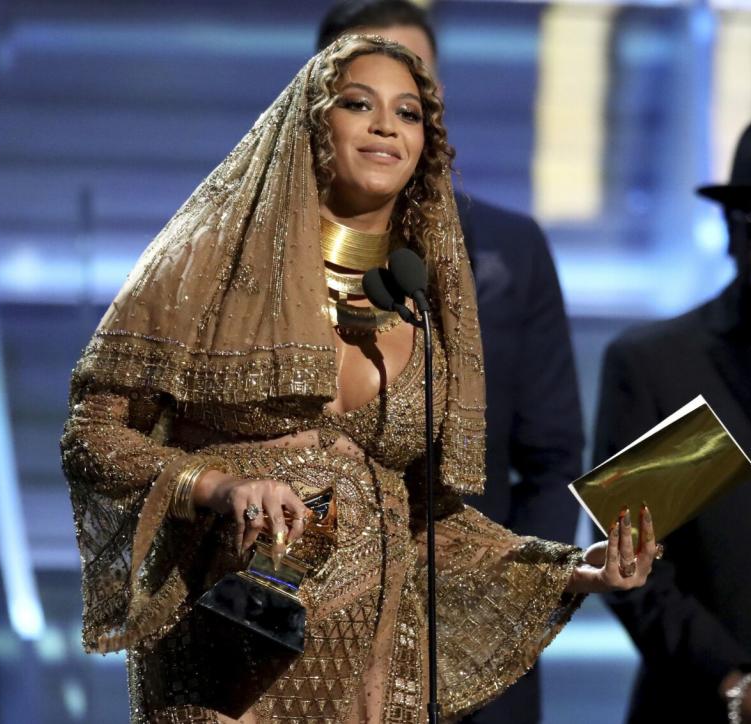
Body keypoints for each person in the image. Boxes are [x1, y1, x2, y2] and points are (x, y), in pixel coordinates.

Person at [62, 35, 655, 724]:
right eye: (357, 104)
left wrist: (570, 568)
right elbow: (92, 437)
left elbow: (425, 521)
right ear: (314, 125)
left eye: (408, 114)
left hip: (369, 675)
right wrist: (218, 487)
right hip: (225, 659)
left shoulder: (418, 303)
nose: (385, 126)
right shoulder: (203, 267)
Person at [317, 5, 584, 721]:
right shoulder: (253, 256)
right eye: (358, 94)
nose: (385, 121)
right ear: (313, 103)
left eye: (411, 94)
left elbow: (552, 456)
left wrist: (511, 605)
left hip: (471, 642)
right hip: (302, 640)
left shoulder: (509, 249)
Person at [594, 117, 751, 724]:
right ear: (731, 231)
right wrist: (739, 688)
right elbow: (638, 567)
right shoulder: (661, 365)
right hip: (699, 708)